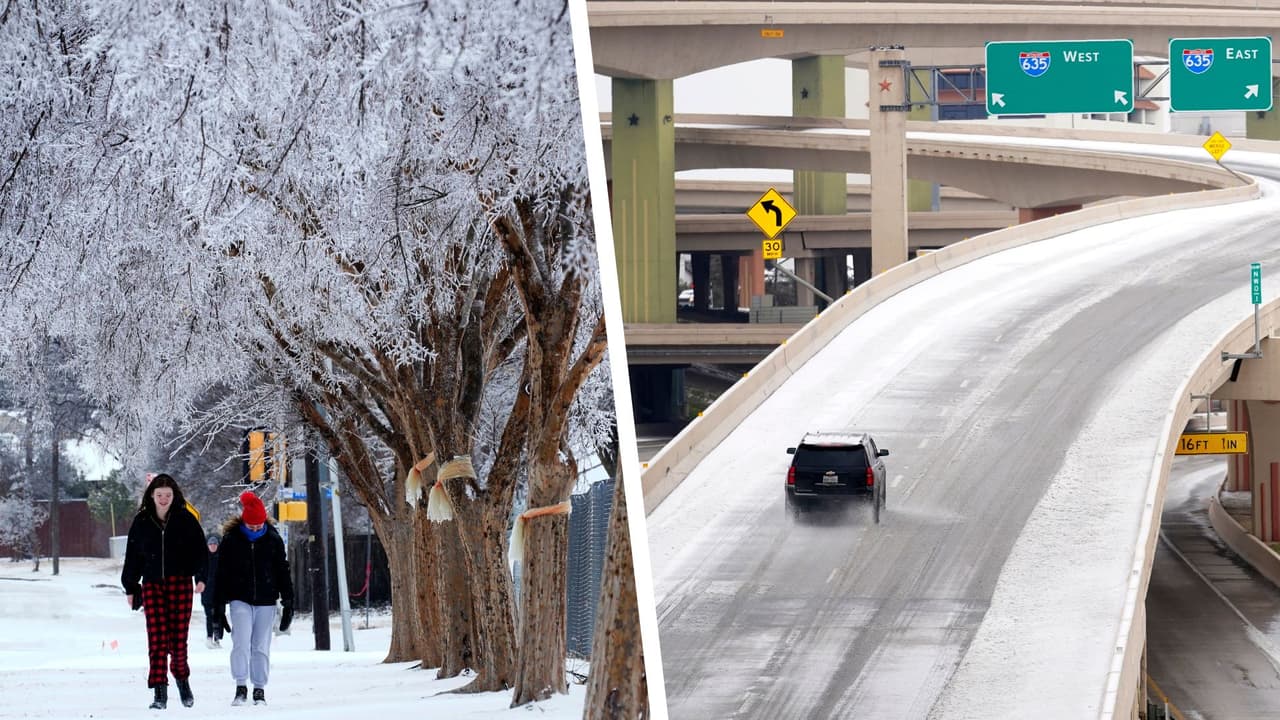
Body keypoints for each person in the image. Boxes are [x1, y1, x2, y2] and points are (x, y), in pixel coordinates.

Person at [121, 473, 208, 709]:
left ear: (174, 495)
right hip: (152, 585)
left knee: (178, 641)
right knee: (157, 640)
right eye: (159, 495)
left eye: (167, 495)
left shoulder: (186, 519)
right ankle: (160, 693)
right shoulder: (141, 521)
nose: (163, 499)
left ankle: (182, 679)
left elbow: (201, 551)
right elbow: (132, 556)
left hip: (180, 583)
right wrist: (130, 586)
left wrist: (200, 577)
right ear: (151, 495)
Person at [214, 491, 294, 707]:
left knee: (260, 645)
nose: (257, 529)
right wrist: (218, 607)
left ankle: (259, 689)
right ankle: (241, 686)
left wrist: (288, 601)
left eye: (260, 526)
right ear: (244, 522)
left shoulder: (273, 540)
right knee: (240, 642)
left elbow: (282, 571)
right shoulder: (231, 541)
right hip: (239, 598)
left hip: (266, 600)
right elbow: (221, 573)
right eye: (252, 526)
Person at [201, 534, 226, 648]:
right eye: (210, 544)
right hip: (207, 593)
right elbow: (198, 574)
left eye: (214, 544)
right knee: (209, 616)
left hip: (219, 593)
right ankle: (209, 637)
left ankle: (217, 638)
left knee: (219, 616)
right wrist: (199, 584)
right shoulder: (203, 558)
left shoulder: (222, 558)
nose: (212, 546)